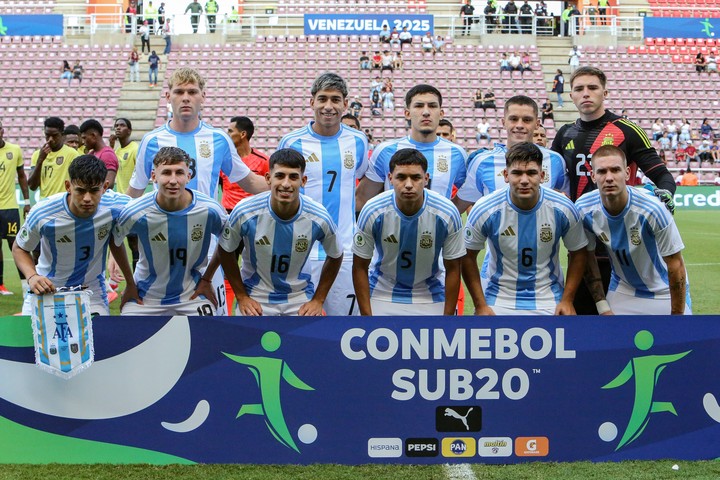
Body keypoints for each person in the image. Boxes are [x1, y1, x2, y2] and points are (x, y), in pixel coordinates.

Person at [127, 68, 268, 315]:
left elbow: (250, 183)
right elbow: (134, 193)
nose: (185, 97)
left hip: (204, 252)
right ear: (168, 96)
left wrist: (285, 186)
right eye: (179, 92)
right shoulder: (151, 141)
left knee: (212, 331)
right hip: (158, 248)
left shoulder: (218, 139)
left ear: (203, 96)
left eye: (192, 92)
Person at [551, 66, 676, 314]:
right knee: (585, 322)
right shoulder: (565, 134)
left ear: (605, 92)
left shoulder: (627, 130)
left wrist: (666, 197)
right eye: (579, 89)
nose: (586, 93)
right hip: (582, 241)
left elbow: (662, 175)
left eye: (592, 88)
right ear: (572, 95)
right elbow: (553, 184)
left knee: (623, 319)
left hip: (623, 242)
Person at [277, 72, 368, 316]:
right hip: (300, 253)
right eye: (322, 99)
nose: (329, 106)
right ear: (312, 102)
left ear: (345, 104)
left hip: (344, 252)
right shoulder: (292, 142)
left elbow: (358, 180)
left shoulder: (358, 141)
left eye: (336, 100)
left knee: (344, 331)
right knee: (299, 332)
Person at [463, 142, 588, 315]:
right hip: (499, 300)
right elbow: (467, 256)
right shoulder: (485, 208)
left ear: (542, 175)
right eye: (517, 173)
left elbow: (579, 252)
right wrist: (480, 305)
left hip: (549, 299)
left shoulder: (562, 207)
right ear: (506, 175)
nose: (524, 180)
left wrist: (567, 300)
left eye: (531, 173)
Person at [219, 149, 342, 316]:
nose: (286, 184)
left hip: (299, 299)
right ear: (268, 179)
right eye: (280, 176)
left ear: (303, 181)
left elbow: (336, 254)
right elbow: (226, 250)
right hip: (255, 297)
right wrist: (241, 296)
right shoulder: (245, 211)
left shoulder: (318, 216)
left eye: (293, 177)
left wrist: (318, 299)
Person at [576, 145, 691, 315]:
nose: (609, 178)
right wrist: (602, 307)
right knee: (613, 341)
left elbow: (676, 264)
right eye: (602, 172)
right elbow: (586, 257)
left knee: (678, 340)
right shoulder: (583, 208)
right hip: (624, 289)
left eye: (615, 170)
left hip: (664, 291)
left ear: (628, 173)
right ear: (593, 176)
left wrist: (676, 317)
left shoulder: (653, 209)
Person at [13, 155, 133, 316]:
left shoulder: (117, 205)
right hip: (47, 289)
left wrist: (129, 281)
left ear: (104, 187)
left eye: (94, 190)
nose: (87, 198)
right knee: (30, 339)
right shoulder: (43, 213)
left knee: (98, 339)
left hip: (92, 294)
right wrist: (32, 276)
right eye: (81, 191)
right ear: (68, 186)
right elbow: (19, 248)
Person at [353, 148, 465, 316]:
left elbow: (454, 269)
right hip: (381, 292)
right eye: (401, 177)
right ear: (390, 179)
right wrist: (366, 318)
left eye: (416, 177)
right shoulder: (373, 210)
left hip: (430, 294)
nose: (408, 184)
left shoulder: (446, 212)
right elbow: (359, 267)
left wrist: (447, 320)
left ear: (426, 179)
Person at [115, 147, 224, 316]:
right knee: (129, 338)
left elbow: (228, 241)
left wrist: (207, 278)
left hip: (192, 295)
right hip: (145, 297)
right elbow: (115, 239)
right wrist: (130, 283)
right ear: (154, 177)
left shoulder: (210, 209)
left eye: (179, 172)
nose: (173, 180)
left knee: (209, 338)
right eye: (166, 172)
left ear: (188, 176)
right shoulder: (136, 211)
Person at [356, 84, 468, 210]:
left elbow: (469, 195)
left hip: (438, 229)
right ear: (407, 113)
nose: (426, 112)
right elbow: (362, 198)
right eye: (419, 106)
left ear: (441, 113)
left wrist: (447, 217)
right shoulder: (385, 151)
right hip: (394, 229)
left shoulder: (457, 154)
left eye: (432, 106)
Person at [453, 95, 568, 214]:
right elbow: (458, 207)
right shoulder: (481, 162)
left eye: (527, 120)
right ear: (504, 122)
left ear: (537, 124)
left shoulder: (555, 160)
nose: (519, 125)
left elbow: (567, 199)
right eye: (513, 119)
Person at [218, 116, 270, 311]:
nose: (227, 134)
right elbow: (222, 187)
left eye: (231, 131)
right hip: (229, 218)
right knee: (226, 267)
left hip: (254, 220)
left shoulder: (264, 161)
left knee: (256, 267)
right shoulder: (226, 161)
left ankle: (257, 307)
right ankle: (227, 311)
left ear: (243, 134)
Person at [0, 120, 30, 295]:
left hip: (10, 207)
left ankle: (26, 285)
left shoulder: (14, 150)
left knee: (16, 244)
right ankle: (1, 285)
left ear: (2, 131)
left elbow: (22, 176)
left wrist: (26, 202)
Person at [29, 117, 80, 199]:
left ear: (62, 135)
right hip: (44, 204)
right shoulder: (37, 155)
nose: (50, 139)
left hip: (64, 204)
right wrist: (40, 161)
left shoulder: (72, 154)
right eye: (47, 135)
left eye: (54, 135)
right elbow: (32, 186)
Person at [79, 119, 119, 189]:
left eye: (84, 138)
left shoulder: (107, 155)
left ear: (93, 135)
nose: (83, 142)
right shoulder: (91, 153)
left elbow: (108, 184)